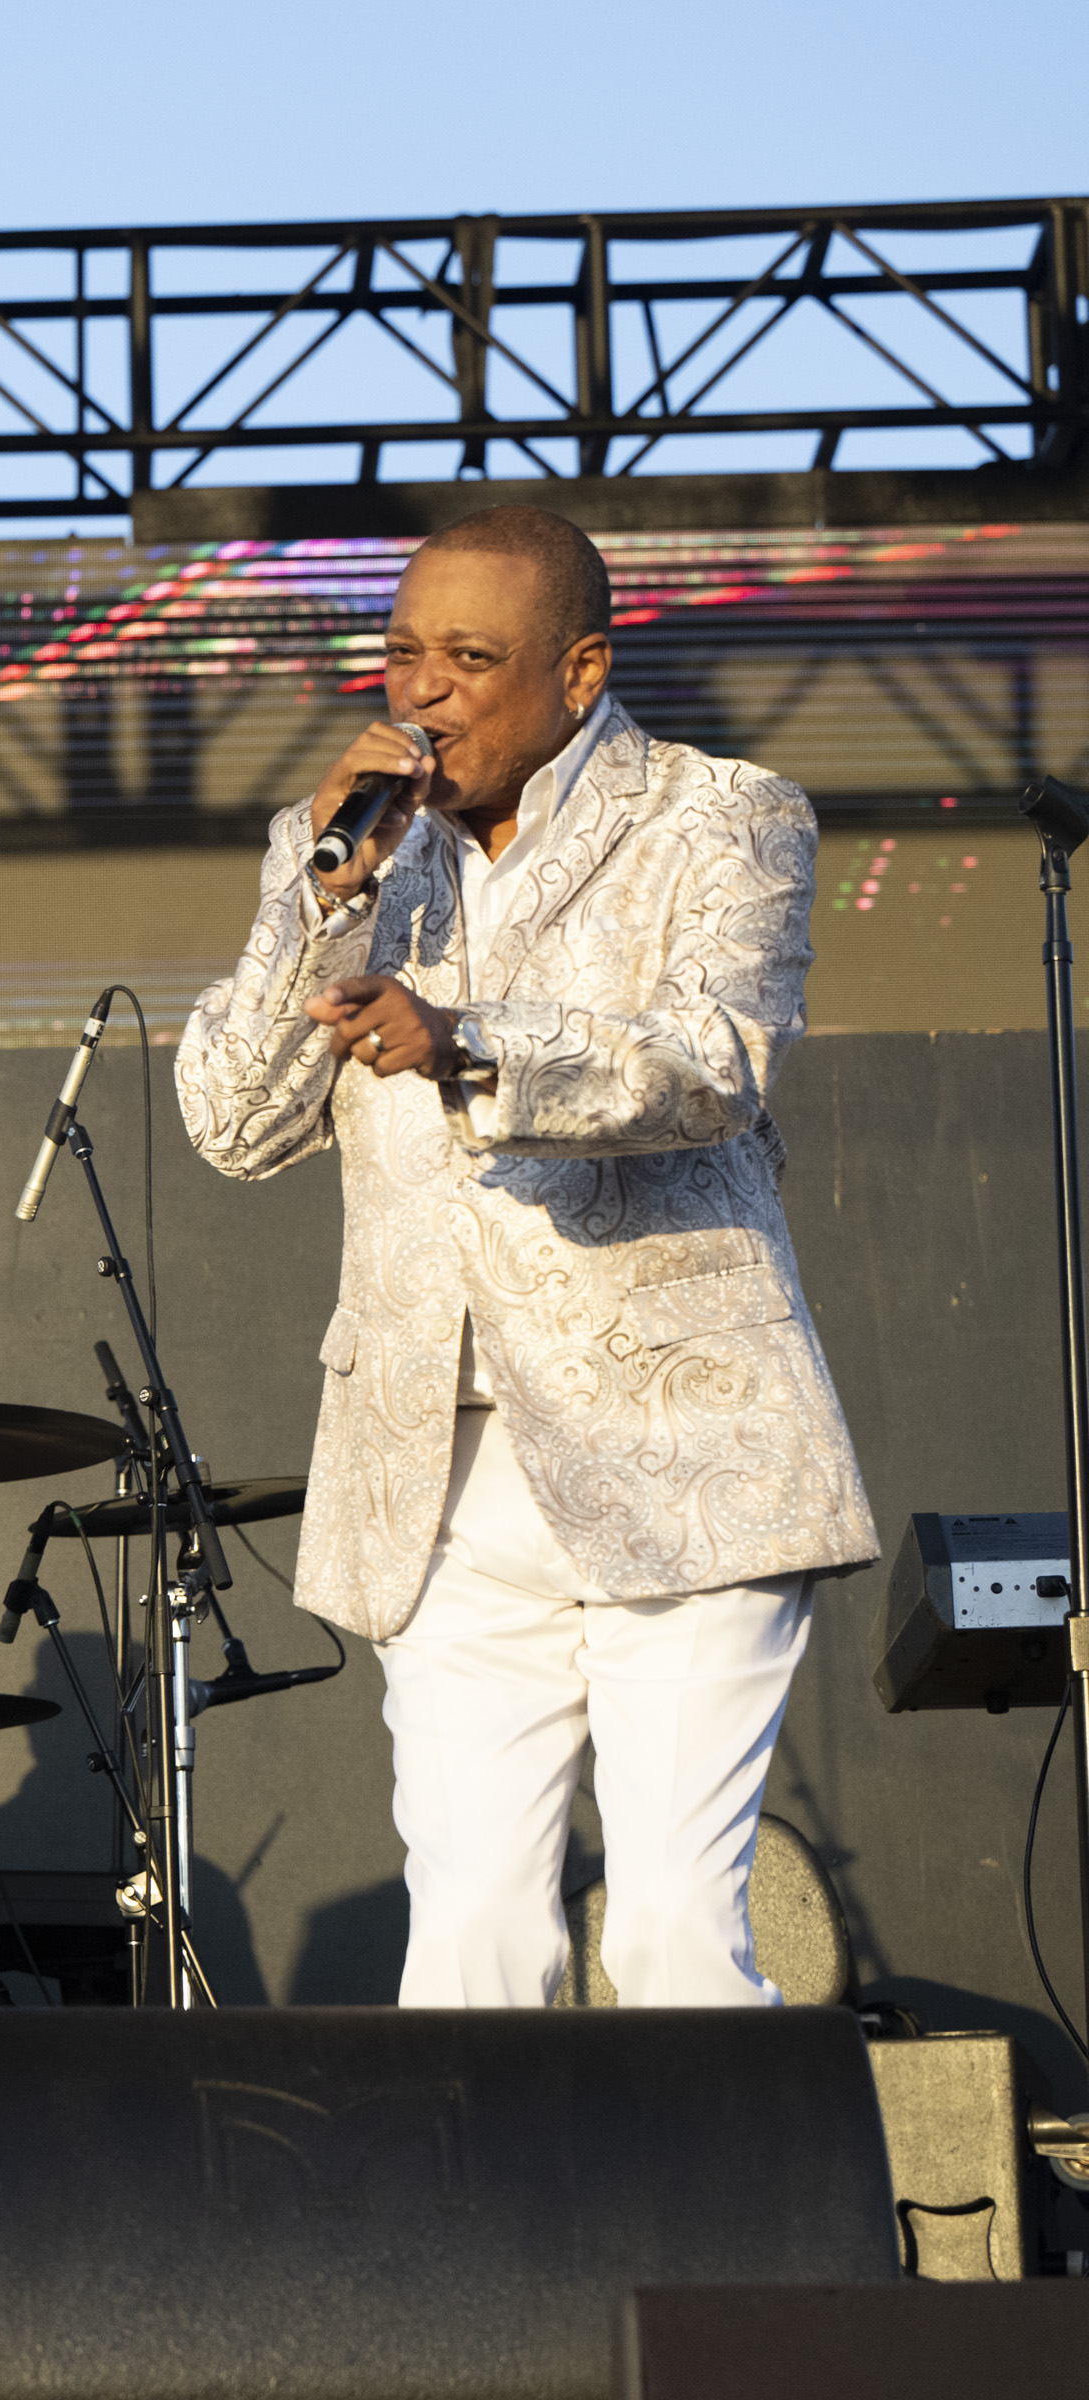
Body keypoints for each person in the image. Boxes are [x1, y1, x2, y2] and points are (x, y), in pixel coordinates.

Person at [176, 503, 875, 2010]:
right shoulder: (358, 853)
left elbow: (715, 1058)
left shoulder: (724, 816)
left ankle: (729, 2247)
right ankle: (496, 2257)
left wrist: (471, 1042)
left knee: (676, 1938)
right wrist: (317, 897)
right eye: (403, 652)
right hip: (439, 1471)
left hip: (677, 1448)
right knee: (470, 1949)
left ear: (579, 670)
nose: (421, 693)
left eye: (470, 659)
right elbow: (234, 1124)